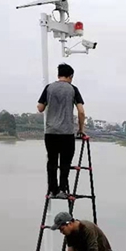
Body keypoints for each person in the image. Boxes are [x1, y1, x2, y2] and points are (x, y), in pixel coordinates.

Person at [37, 63, 86, 197]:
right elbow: (81, 112)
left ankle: (53, 189)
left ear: (58, 75)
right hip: (67, 133)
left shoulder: (49, 88)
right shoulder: (73, 89)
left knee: (52, 161)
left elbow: (40, 108)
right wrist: (81, 129)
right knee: (65, 162)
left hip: (51, 132)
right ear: (70, 76)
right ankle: (63, 189)